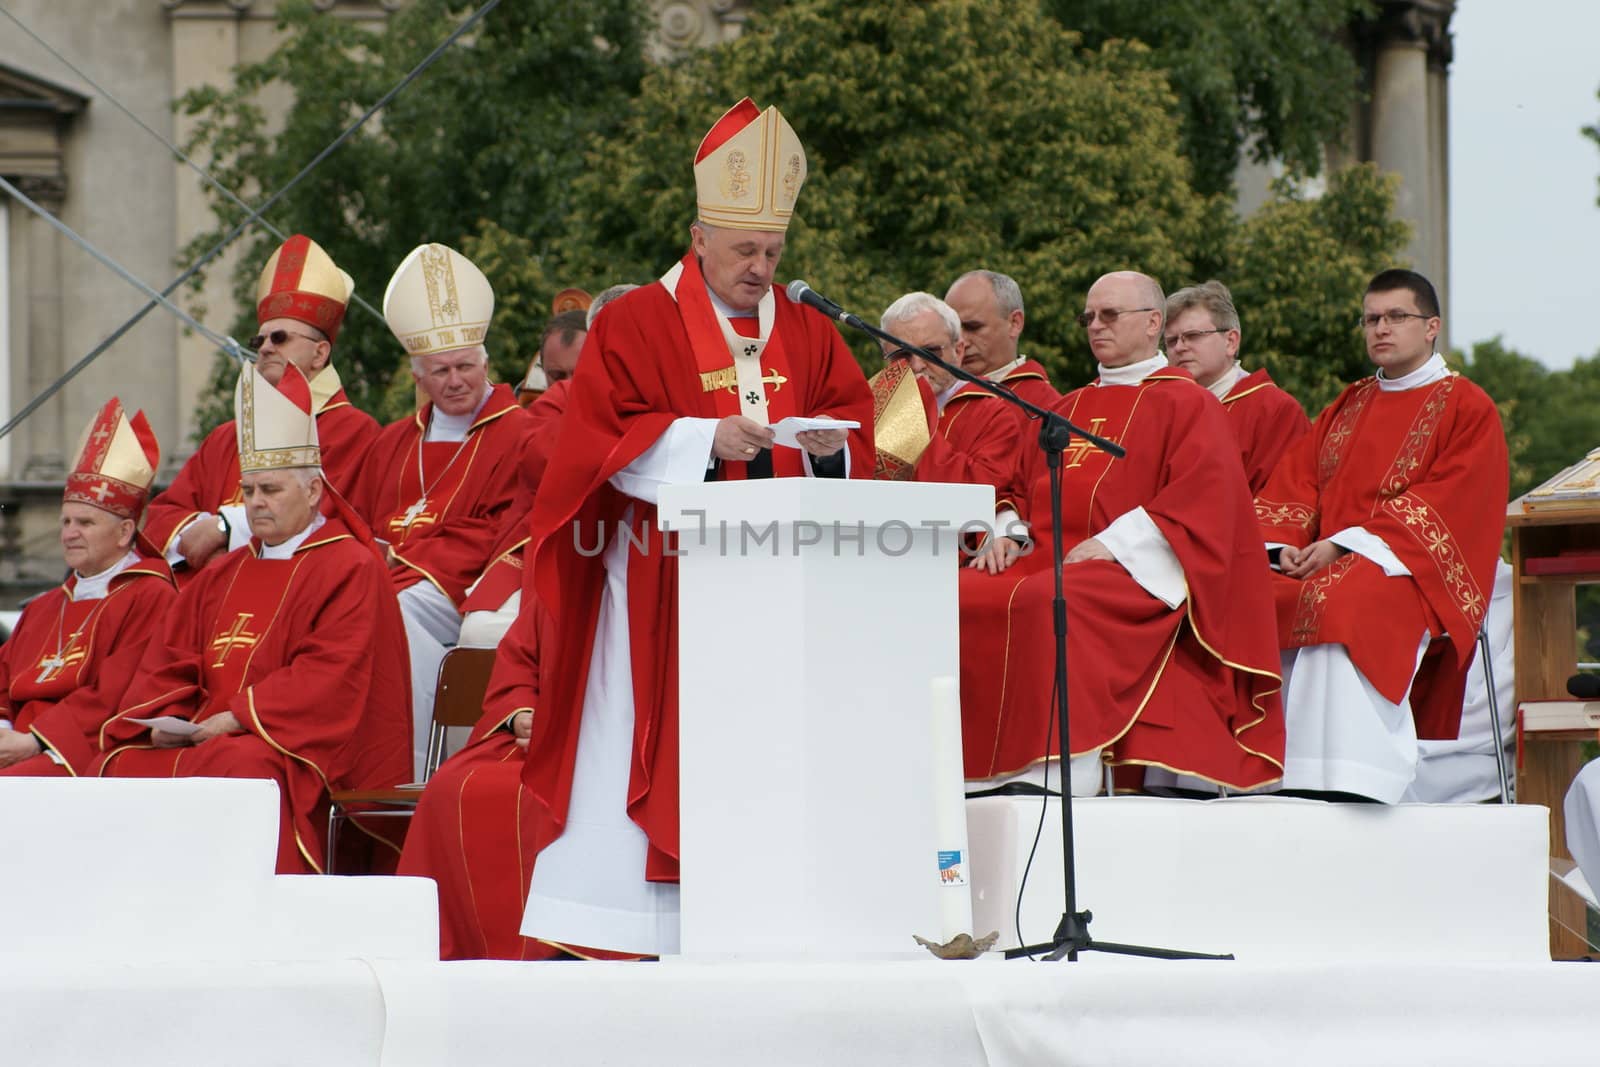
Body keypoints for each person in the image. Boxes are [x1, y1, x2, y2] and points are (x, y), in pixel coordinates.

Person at [518, 97, 874, 957]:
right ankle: (626, 924)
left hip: (779, 578)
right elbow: (597, 440)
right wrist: (699, 438)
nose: (762, 267)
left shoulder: (808, 325)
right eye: (746, 249)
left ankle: (764, 907)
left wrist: (828, 451)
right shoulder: (636, 319)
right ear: (699, 235)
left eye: (774, 252)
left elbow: (852, 414)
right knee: (640, 743)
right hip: (659, 573)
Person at [962, 270, 1283, 796]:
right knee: (962, 593)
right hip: (1044, 555)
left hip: (1133, 568)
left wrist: (1113, 544)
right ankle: (969, 774)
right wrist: (1007, 532)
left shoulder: (1188, 402)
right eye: (1088, 316)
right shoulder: (1065, 408)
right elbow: (1017, 486)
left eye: (1110, 315)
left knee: (1051, 599)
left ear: (1153, 322)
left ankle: (1051, 774)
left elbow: (1202, 500)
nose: (1095, 326)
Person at [96, 364, 411, 873]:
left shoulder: (348, 567)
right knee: (120, 762)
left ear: (312, 492)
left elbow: (329, 676)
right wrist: (169, 718)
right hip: (207, 736)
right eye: (249, 491)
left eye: (271, 490)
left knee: (243, 766)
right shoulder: (223, 574)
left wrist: (237, 717)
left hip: (292, 747)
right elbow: (171, 661)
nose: (256, 504)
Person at [1256, 268, 1508, 803]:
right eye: (1372, 319)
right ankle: (1268, 770)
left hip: (1410, 569)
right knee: (1250, 595)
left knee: (1343, 602)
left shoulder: (1466, 406)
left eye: (1397, 317)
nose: (1381, 329)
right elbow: (1296, 482)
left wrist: (1344, 544)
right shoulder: (1347, 406)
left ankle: (1353, 774)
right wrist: (1286, 548)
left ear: (1432, 326)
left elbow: (1455, 501)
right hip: (1324, 559)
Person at [348, 243, 531, 776]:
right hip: (398, 577)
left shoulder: (520, 430)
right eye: (441, 370)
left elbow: (506, 524)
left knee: (395, 614)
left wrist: (407, 558)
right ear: (418, 379)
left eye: (465, 366)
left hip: (466, 585)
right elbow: (359, 521)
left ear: (485, 364)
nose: (456, 381)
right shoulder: (390, 444)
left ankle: (416, 770)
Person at [142, 235, 377, 578]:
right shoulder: (226, 437)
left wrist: (226, 527)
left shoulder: (353, 431)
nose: (265, 348)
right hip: (203, 592)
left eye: (280, 338)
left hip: (290, 590)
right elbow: (165, 513)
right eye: (259, 339)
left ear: (320, 353)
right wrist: (203, 541)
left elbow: (328, 518)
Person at [0, 399, 176, 776]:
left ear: (125, 532)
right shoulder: (43, 607)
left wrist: (35, 740)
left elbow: (118, 694)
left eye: (85, 522)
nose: (69, 534)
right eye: (65, 522)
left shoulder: (150, 596)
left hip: (83, 752)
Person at [458, 308, 594, 650]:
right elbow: (545, 466)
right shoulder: (542, 414)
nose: (566, 386)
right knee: (480, 632)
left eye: (578, 374)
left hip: (612, 542)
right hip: (542, 547)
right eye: (556, 376)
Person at [1164, 280, 1310, 493]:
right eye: (1171, 341)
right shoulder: (1162, 408)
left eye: (1193, 336)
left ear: (1231, 341)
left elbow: (1283, 498)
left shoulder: (1275, 410)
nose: (1179, 347)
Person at [869, 292, 1021, 491]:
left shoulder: (993, 415)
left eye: (930, 352)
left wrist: (913, 428)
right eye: (902, 354)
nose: (917, 365)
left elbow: (984, 490)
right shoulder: (868, 407)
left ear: (958, 352)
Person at [944, 270, 1058, 408]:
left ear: (1014, 323)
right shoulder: (933, 399)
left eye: (973, 327)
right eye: (954, 331)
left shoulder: (1049, 408)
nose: (962, 343)